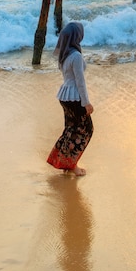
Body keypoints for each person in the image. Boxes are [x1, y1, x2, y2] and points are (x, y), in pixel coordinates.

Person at [47, 22, 94, 176]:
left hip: (65, 96)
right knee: (86, 130)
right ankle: (72, 165)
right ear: (76, 36)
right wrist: (86, 103)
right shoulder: (76, 56)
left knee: (71, 130)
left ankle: (60, 160)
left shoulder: (64, 55)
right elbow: (80, 82)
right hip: (74, 98)